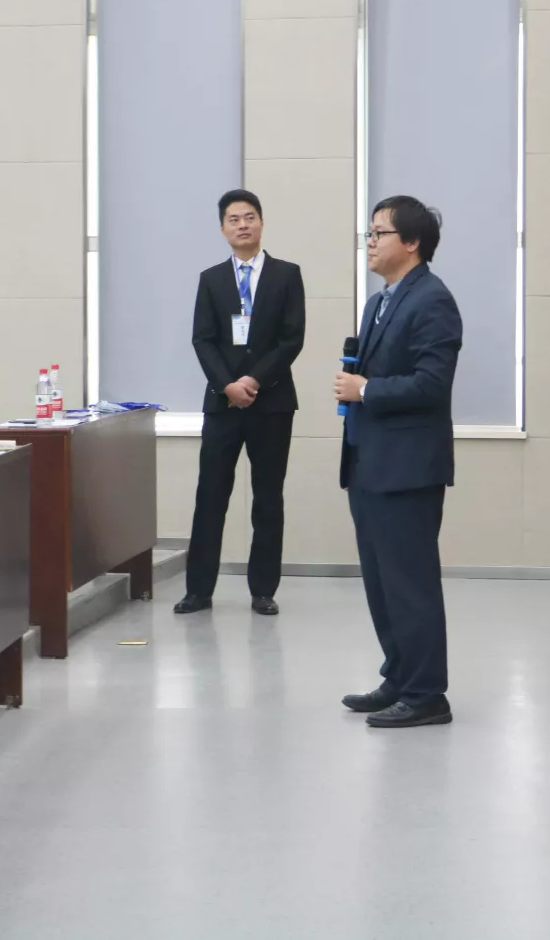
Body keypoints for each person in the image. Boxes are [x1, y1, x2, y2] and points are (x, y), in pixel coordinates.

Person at [334, 195, 462, 729]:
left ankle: (427, 694)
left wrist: (366, 389)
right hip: (370, 461)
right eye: (368, 233)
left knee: (410, 583)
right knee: (381, 583)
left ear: (411, 243)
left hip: (407, 468)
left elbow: (432, 384)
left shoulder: (433, 300)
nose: (369, 242)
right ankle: (400, 676)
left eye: (378, 233)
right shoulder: (379, 302)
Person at [175, 190, 306, 617]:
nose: (243, 225)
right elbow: (203, 339)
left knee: (268, 498)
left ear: (261, 222)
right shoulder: (211, 279)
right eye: (234, 219)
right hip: (223, 406)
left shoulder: (287, 274)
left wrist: (253, 380)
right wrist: (227, 385)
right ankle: (198, 591)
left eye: (249, 217)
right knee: (210, 496)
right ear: (223, 229)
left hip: (272, 404)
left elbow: (292, 338)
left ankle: (263, 590)